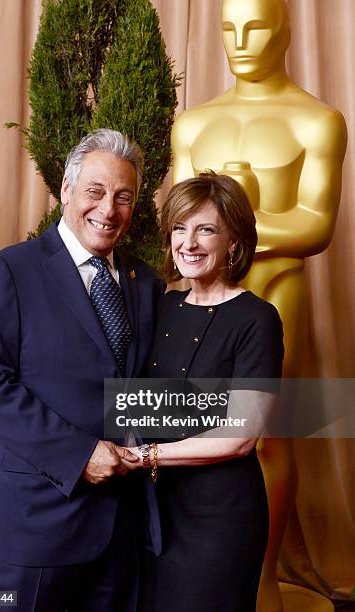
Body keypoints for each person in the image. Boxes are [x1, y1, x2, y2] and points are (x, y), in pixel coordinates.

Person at [170, 0, 347, 607]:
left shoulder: (317, 120)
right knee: (195, 422)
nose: (240, 41)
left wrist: (235, 215)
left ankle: (263, 576)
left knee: (270, 435)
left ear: (286, 31)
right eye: (228, 30)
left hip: (277, 287)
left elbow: (317, 223)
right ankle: (201, 563)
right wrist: (223, 224)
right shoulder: (193, 124)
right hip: (198, 296)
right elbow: (178, 221)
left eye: (257, 27)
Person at [0, 128, 163, 612]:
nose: (108, 210)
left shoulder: (145, 282)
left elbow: (143, 385)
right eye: (95, 191)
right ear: (66, 190)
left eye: (123, 197)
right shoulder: (9, 272)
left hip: (121, 531)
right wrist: (78, 454)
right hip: (35, 524)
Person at [131, 172, 284, 612]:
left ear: (233, 242)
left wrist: (144, 457)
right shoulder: (158, 307)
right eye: (180, 227)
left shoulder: (257, 319)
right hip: (150, 511)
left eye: (206, 229)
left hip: (220, 518)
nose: (189, 243)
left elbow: (240, 436)